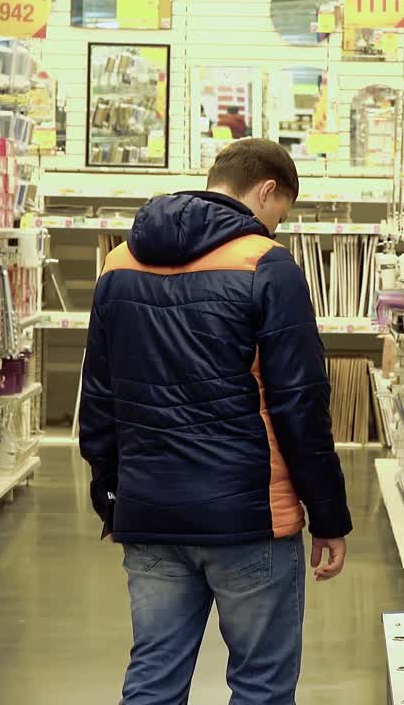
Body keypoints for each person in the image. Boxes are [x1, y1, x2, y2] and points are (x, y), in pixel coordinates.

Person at [78, 138, 352, 705]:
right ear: (267, 190)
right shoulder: (267, 265)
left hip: (150, 509)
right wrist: (328, 516)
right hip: (250, 516)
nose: (275, 227)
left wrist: (113, 494)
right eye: (282, 213)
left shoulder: (119, 263)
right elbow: (301, 404)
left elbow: (99, 395)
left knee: (153, 677)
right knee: (261, 684)